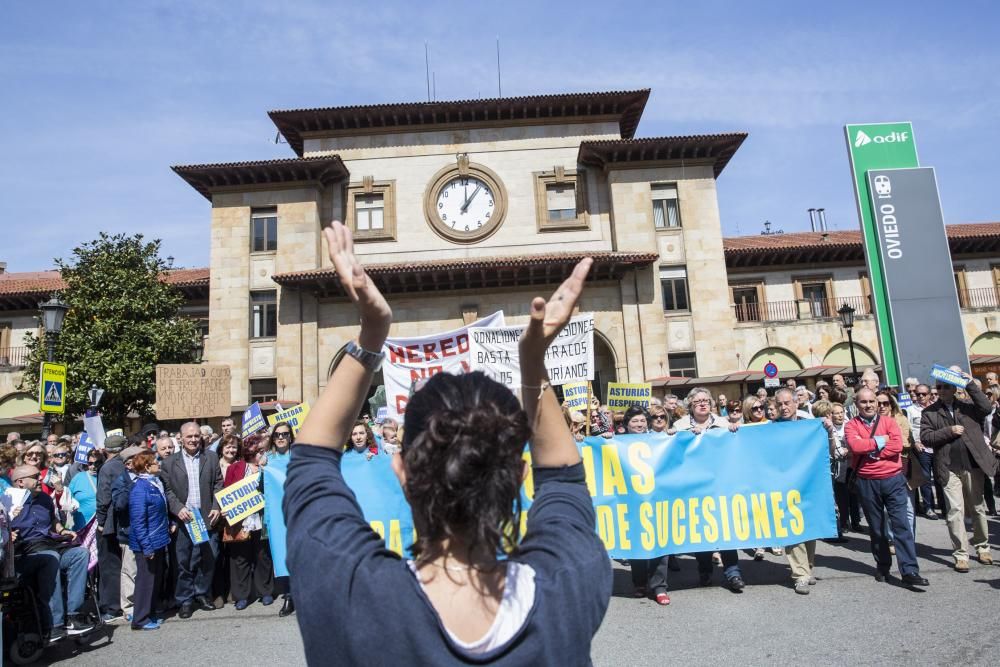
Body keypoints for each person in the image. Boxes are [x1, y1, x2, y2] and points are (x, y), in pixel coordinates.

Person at [284, 223, 610, 663]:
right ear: (518, 477)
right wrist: (534, 363)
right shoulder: (568, 579)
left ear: (401, 471)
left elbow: (309, 465)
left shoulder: (351, 589)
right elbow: (565, 483)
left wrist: (371, 334)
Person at [845, 389, 928, 587]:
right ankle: (882, 566)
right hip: (866, 482)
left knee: (901, 525)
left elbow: (897, 446)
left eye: (872, 401)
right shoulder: (851, 425)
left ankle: (909, 570)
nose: (868, 405)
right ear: (857, 404)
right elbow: (855, 447)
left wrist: (871, 447)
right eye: (863, 402)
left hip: (893, 479)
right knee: (877, 528)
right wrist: (881, 442)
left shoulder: (889, 422)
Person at [920, 370, 997, 572]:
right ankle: (961, 554)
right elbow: (926, 438)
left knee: (978, 507)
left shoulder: (968, 407)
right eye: (939, 387)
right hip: (948, 467)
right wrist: (949, 431)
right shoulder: (929, 412)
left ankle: (982, 547)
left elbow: (987, 408)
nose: (943, 390)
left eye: (946, 386)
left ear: (954, 388)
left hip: (972, 464)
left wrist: (970, 383)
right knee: (955, 511)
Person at [9, 464, 95, 641]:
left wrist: (63, 531)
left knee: (80, 553)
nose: (40, 479)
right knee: (51, 558)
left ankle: (73, 615)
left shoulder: (44, 499)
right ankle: (54, 624)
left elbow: (53, 520)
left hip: (48, 545)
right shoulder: (8, 501)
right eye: (35, 477)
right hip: (24, 553)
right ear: (20, 482)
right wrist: (8, 531)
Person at [673, 387, 745, 592]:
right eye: (697, 402)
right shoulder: (679, 426)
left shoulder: (724, 423)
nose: (703, 404)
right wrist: (683, 435)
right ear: (690, 406)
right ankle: (704, 570)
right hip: (694, 487)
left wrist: (734, 431)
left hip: (722, 485)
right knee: (701, 531)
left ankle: (733, 573)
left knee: (726, 530)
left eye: (706, 400)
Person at [160, 421, 223, 618]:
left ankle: (202, 593)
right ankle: (185, 599)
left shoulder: (211, 458)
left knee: (208, 558)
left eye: (196, 436)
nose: (194, 440)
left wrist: (216, 506)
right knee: (183, 561)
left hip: (206, 517)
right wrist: (178, 508)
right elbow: (167, 489)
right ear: (181, 438)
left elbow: (218, 484)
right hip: (183, 520)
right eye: (189, 436)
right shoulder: (170, 462)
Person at [619, 405, 671, 605]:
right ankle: (639, 583)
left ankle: (659, 587)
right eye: (634, 421)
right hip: (631, 501)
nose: (639, 424)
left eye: (642, 420)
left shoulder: (658, 440)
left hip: (656, 499)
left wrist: (672, 435)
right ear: (626, 424)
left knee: (660, 541)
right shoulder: (616, 442)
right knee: (637, 541)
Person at [774, 388, 819, 594]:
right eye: (779, 404)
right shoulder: (770, 428)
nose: (783, 408)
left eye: (787, 403)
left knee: (809, 527)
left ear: (796, 403)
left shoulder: (809, 424)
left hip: (808, 483)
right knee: (792, 527)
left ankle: (807, 568)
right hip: (784, 486)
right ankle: (799, 574)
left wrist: (826, 429)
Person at [223, 435, 273, 610]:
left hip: (262, 516)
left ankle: (265, 591)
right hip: (241, 519)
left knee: (263, 555)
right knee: (240, 557)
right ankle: (241, 595)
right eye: (259, 450)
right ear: (250, 451)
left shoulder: (268, 468)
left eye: (263, 450)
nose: (262, 453)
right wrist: (226, 507)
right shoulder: (235, 468)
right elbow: (227, 490)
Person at [128, 451, 170, 630]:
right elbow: (138, 522)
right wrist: (146, 547)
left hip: (158, 539)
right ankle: (140, 619)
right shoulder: (140, 489)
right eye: (155, 461)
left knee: (154, 580)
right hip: (148, 543)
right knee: (146, 582)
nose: (158, 463)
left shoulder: (154, 483)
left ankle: (150, 613)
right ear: (146, 467)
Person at [95, 432, 128, 621]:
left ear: (106, 450)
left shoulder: (107, 468)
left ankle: (112, 607)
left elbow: (103, 499)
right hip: (126, 522)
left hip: (110, 524)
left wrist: (100, 522)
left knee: (110, 566)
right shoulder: (128, 464)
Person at [263, 421, 296, 618]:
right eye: (277, 435)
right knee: (282, 553)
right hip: (278, 515)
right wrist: (259, 469)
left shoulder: (300, 457)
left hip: (299, 513)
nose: (281, 438)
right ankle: (289, 595)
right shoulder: (267, 460)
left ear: (290, 436)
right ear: (273, 438)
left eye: (284, 434)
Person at [907, 384, 938, 519]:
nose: (920, 396)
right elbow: (908, 429)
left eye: (923, 394)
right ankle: (928, 507)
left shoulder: (935, 408)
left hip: (937, 447)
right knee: (925, 479)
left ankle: (942, 505)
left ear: (929, 395)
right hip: (922, 448)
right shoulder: (910, 410)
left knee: (940, 477)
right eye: (918, 394)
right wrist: (915, 443)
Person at [67, 448, 103, 530]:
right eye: (90, 463)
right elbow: (68, 502)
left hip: (100, 528)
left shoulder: (107, 477)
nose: (93, 466)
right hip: (79, 528)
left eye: (97, 463)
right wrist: (68, 528)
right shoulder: (78, 477)